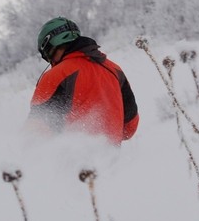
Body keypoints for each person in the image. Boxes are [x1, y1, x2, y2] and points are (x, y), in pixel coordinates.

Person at [27, 17, 139, 145]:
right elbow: (130, 128)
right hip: (111, 159)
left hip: (67, 161)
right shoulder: (115, 70)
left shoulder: (56, 75)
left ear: (51, 46)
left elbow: (34, 131)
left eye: (48, 55)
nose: (51, 61)